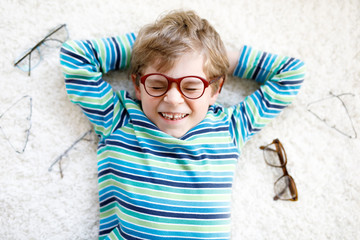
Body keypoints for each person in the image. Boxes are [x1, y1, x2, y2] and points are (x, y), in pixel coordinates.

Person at [60, 10, 305, 240]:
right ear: (137, 85)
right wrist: (147, 48)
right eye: (157, 85)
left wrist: (213, 56)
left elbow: (291, 74)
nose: (173, 99)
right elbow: (76, 56)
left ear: (215, 89)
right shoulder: (118, 119)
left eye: (191, 86)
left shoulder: (230, 129)